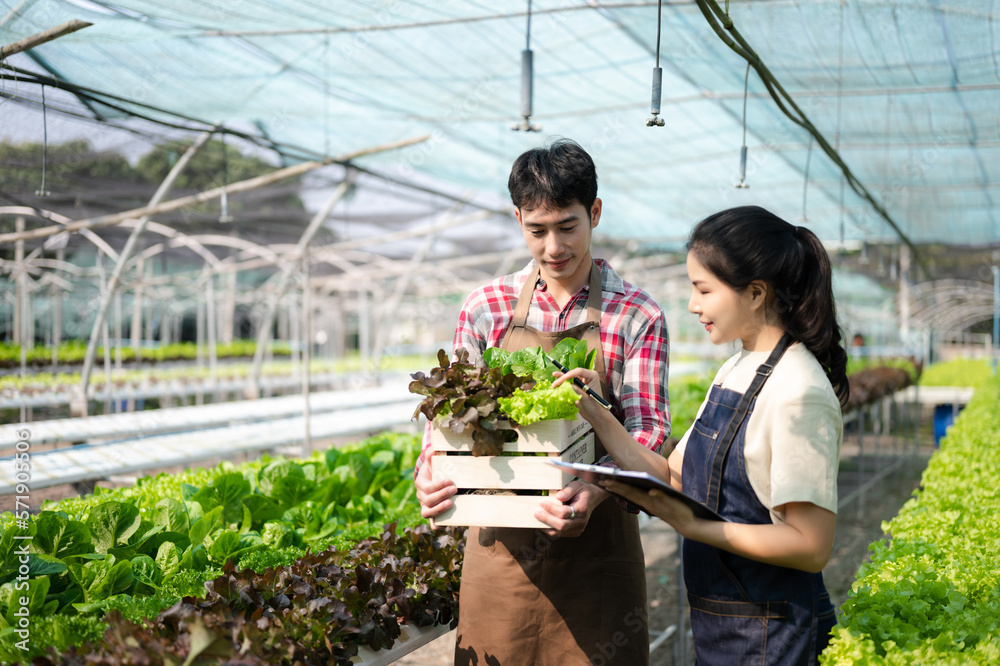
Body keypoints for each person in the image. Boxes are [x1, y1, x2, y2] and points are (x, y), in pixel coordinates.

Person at [414, 138, 670, 665]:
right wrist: (430, 471)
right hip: (500, 548)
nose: (553, 247)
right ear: (518, 220)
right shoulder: (486, 307)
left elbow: (648, 430)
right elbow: (449, 418)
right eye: (537, 230)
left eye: (568, 226)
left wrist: (593, 490)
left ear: (594, 212)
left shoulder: (637, 314)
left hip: (597, 550)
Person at [558, 205, 847, 665]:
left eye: (703, 289)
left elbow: (811, 546)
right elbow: (671, 475)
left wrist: (697, 527)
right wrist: (598, 415)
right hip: (723, 625)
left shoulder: (798, 389)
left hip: (776, 635)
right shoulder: (736, 367)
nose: (693, 305)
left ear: (755, 293)